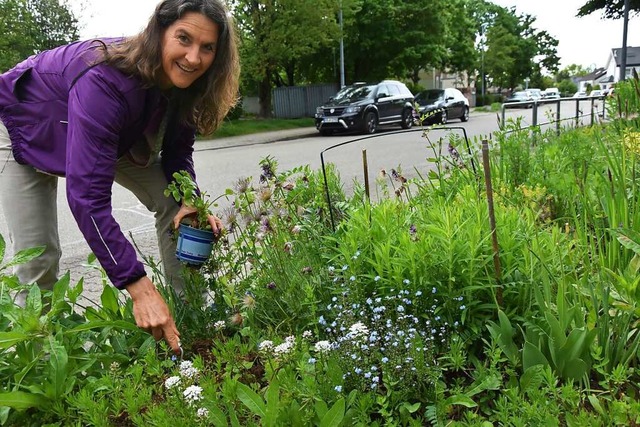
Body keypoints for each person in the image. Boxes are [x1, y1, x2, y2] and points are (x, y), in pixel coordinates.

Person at [0, 0, 240, 354]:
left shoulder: (188, 84)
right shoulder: (105, 78)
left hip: (100, 134)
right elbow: (87, 199)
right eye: (184, 39)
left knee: (178, 203)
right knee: (39, 259)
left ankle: (189, 320)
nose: (193, 58)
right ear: (159, 32)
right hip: (23, 125)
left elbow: (177, 153)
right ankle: (35, 363)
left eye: (207, 48)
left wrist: (191, 198)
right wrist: (139, 288)